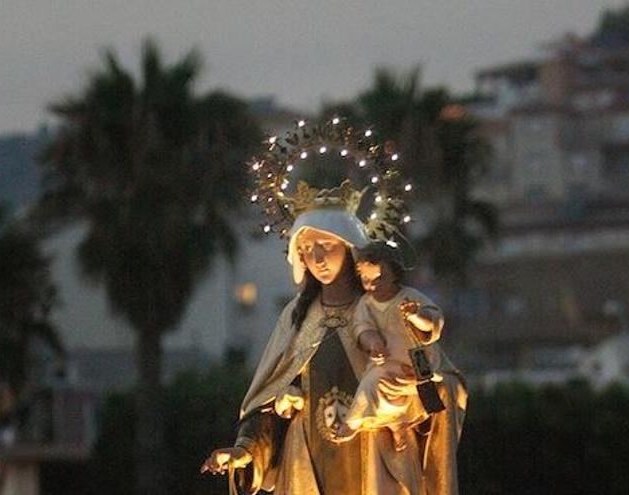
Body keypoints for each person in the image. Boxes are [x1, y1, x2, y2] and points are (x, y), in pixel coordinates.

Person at [200, 191, 468, 494]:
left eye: (327, 246)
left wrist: (414, 395)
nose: (317, 258)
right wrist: (245, 451)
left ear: (350, 248)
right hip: (306, 463)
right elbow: (268, 403)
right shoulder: (297, 317)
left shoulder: (381, 308)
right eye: (307, 248)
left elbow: (438, 382)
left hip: (376, 462)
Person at [334, 241, 460, 453]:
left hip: (418, 365)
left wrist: (415, 315)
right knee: (371, 384)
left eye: (379, 278)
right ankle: (356, 422)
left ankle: (403, 424)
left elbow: (433, 321)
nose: (372, 285)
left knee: (422, 396)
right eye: (366, 280)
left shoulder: (409, 298)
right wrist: (373, 343)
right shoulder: (366, 303)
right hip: (387, 364)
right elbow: (362, 328)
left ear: (395, 274)